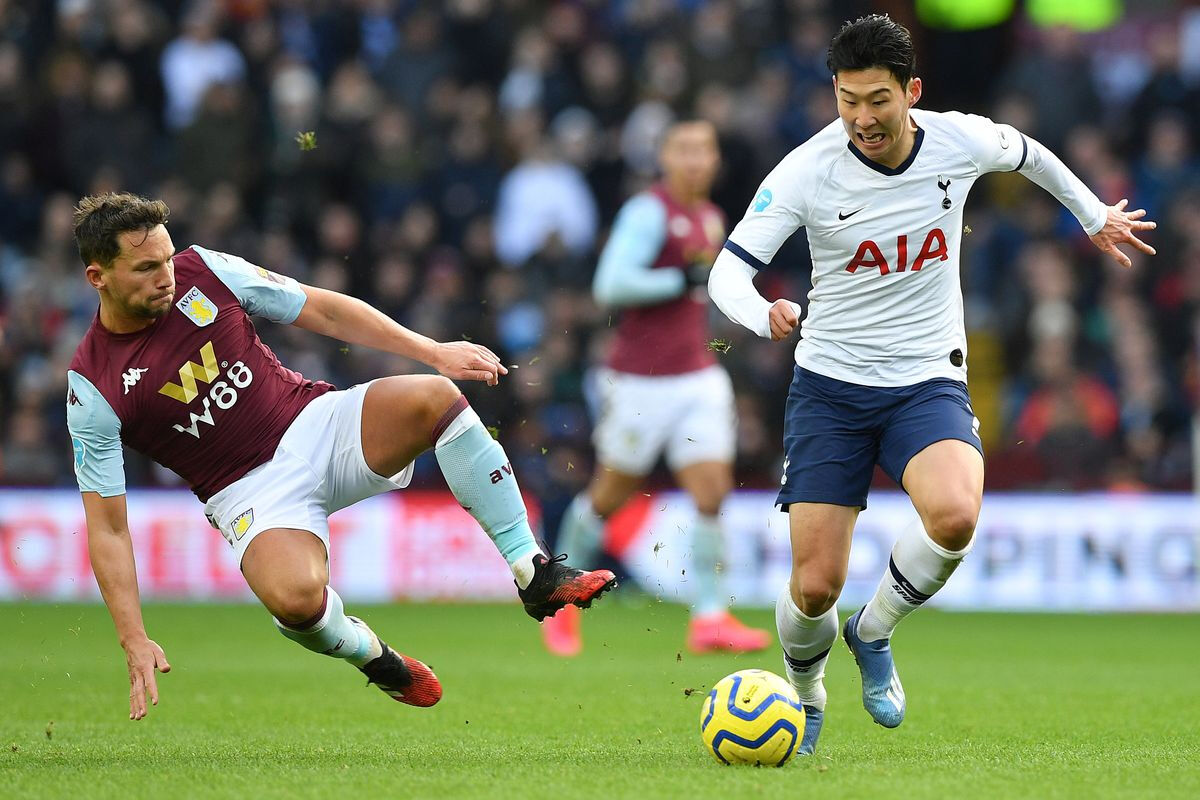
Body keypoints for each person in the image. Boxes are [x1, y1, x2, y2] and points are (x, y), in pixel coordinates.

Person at [707, 15, 1155, 755]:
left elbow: (1030, 153)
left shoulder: (957, 139)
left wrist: (1091, 214)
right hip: (830, 386)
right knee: (813, 585)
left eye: (876, 99)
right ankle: (807, 692)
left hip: (924, 378)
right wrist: (762, 314)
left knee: (954, 514)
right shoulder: (805, 170)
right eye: (847, 100)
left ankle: (873, 630)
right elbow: (728, 270)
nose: (861, 118)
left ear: (911, 92)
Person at [66, 193, 616, 721]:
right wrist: (133, 638)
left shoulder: (202, 270)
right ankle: (374, 657)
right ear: (98, 277)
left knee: (434, 397)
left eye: (166, 257)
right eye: (144, 269)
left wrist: (431, 352)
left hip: (314, 422)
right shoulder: (93, 387)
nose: (166, 276)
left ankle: (533, 571)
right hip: (248, 492)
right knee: (297, 600)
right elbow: (109, 529)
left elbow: (322, 311)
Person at [542, 120, 770, 657]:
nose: (694, 160)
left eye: (703, 151)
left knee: (712, 490)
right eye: (683, 150)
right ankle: (557, 600)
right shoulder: (648, 212)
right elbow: (610, 284)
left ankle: (710, 617)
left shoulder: (711, 218)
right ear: (665, 158)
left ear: (716, 161)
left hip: (696, 376)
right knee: (610, 494)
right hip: (639, 381)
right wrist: (681, 281)